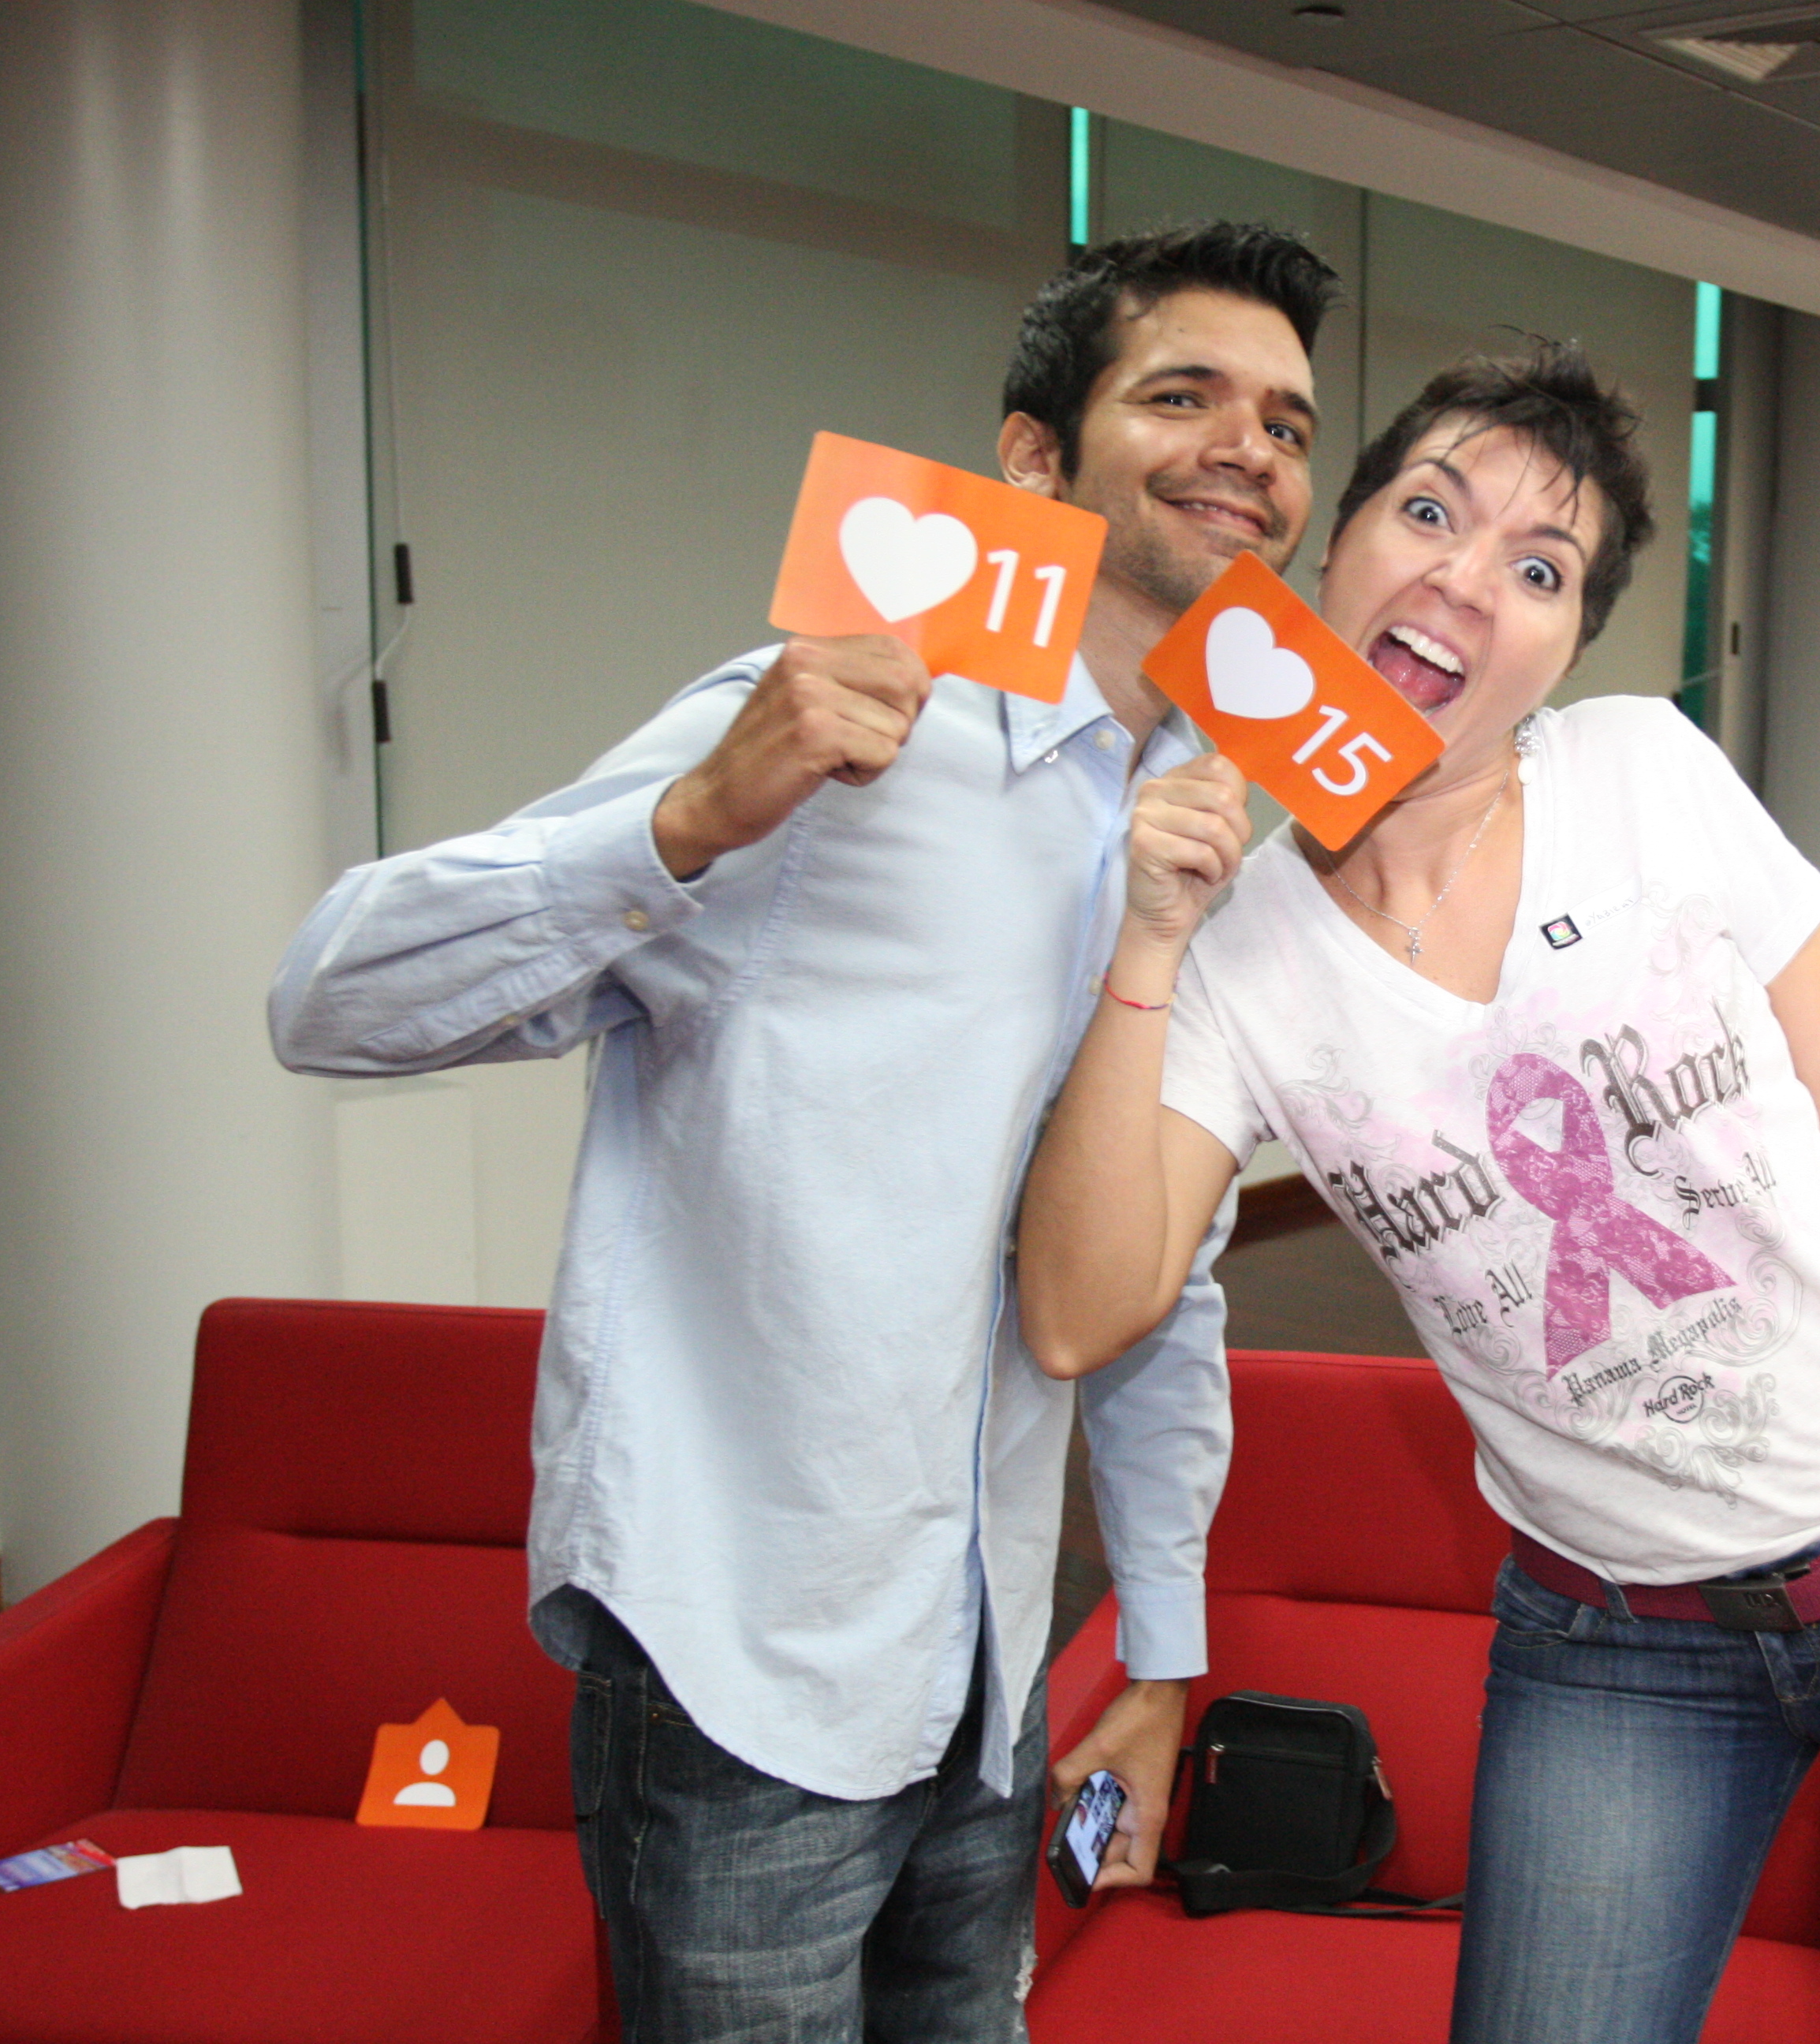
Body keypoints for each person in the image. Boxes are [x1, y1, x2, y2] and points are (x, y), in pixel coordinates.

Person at [1016, 345, 1820, 2044]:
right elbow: (1081, 1312)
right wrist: (1149, 941)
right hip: (1617, 1642)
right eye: (1428, 512)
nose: (1467, 579)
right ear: (1332, 546)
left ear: (1568, 647)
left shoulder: (1643, 769)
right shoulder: (1237, 940)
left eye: (1541, 569)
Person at [271, 221, 1339, 2042]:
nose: (1251, 448)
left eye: (1290, 424)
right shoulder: (826, 738)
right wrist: (689, 818)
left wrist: (1160, 1648)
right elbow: (330, 1001)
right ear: (1032, 457)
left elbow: (1166, 1268)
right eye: (1184, 396)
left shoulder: (1207, 822)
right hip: (741, 1656)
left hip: (990, 1656)